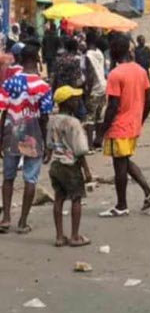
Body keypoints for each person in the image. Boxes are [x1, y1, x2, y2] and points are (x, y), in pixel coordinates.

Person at [97, 35, 150, 217]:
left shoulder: (116, 74)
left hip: (119, 126)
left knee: (119, 166)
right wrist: (141, 119)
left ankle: (122, 204)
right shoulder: (140, 70)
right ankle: (148, 192)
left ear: (115, 51)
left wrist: (101, 132)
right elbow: (149, 98)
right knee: (125, 161)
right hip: (133, 125)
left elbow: (113, 105)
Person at [0, 44, 53, 234]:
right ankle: (22, 221)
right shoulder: (44, 86)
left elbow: (3, 110)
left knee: (8, 177)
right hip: (34, 133)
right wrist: (48, 143)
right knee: (30, 178)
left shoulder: (9, 83)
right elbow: (45, 117)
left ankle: (6, 218)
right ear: (38, 60)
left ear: (21, 60)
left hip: (11, 131)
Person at [47, 86, 92, 247]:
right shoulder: (74, 123)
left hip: (56, 164)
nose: (77, 101)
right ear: (66, 102)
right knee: (76, 198)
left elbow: (49, 145)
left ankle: (59, 236)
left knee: (58, 198)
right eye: (74, 99)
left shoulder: (52, 120)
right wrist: (86, 170)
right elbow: (79, 150)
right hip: (71, 164)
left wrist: (47, 158)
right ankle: (75, 236)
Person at [84, 35, 107, 148]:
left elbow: (90, 74)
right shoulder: (100, 53)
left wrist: (87, 91)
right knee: (100, 116)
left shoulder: (88, 55)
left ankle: (89, 145)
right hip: (103, 86)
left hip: (94, 88)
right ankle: (98, 141)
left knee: (90, 118)